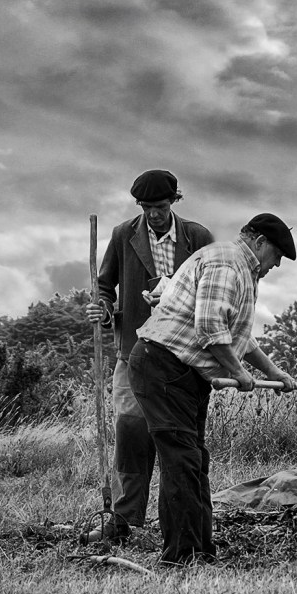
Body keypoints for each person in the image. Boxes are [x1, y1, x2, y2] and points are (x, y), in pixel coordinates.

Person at [129, 213, 297, 566]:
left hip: (184, 373)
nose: (275, 265)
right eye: (277, 257)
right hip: (163, 366)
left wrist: (274, 372)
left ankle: (200, 551)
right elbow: (209, 327)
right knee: (182, 461)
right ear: (260, 242)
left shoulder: (239, 269)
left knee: (193, 460)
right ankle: (182, 556)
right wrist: (239, 374)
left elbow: (240, 337)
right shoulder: (227, 262)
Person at [83, 170, 214, 543]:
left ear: (174, 201)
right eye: (146, 208)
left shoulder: (198, 237)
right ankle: (122, 519)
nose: (153, 214)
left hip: (183, 355)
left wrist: (174, 300)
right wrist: (103, 309)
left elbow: (211, 290)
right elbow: (105, 286)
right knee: (129, 427)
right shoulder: (125, 234)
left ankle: (181, 519)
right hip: (133, 351)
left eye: (159, 206)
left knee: (180, 439)